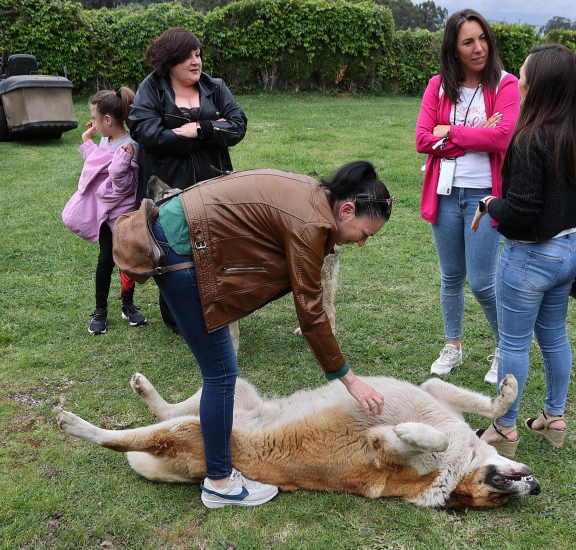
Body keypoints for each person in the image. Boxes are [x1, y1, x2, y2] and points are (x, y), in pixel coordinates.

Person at [151, 161, 393, 508]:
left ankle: (218, 471)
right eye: (365, 233)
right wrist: (351, 381)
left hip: (178, 236)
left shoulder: (313, 197)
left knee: (222, 372)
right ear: (347, 210)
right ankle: (219, 481)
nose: (362, 243)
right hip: (178, 249)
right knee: (221, 374)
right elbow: (311, 311)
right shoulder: (310, 222)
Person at [472, 44, 576, 458]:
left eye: (524, 75)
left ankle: (504, 427)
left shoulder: (530, 138)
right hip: (571, 250)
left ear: (540, 85)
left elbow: (519, 213)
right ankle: (554, 416)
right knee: (553, 337)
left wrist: (488, 203)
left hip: (530, 257)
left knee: (514, 345)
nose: (519, 81)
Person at [415, 9, 519, 382]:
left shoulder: (505, 85)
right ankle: (453, 345)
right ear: (454, 49)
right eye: (468, 42)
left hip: (485, 197)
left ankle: (505, 348)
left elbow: (502, 137)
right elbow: (422, 139)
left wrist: (452, 132)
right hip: (445, 194)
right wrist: (473, 135)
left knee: (482, 281)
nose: (479, 48)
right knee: (450, 276)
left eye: (482, 38)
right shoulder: (439, 86)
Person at [128, 27, 247, 334]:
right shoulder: (151, 89)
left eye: (198, 54)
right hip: (167, 186)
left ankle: (217, 311)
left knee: (215, 246)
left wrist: (198, 130)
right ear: (169, 60)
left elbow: (237, 126)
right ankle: (177, 318)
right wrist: (210, 131)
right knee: (172, 249)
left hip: (213, 181)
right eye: (188, 56)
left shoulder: (215, 87)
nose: (196, 62)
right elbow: (147, 133)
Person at [62, 87, 146, 335]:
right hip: (104, 217)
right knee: (105, 262)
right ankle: (100, 310)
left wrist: (120, 166)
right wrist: (88, 141)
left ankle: (127, 305)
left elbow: (121, 188)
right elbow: (97, 167)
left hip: (123, 217)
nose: (95, 124)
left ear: (107, 120)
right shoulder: (106, 139)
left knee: (127, 263)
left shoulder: (131, 146)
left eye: (96, 120)